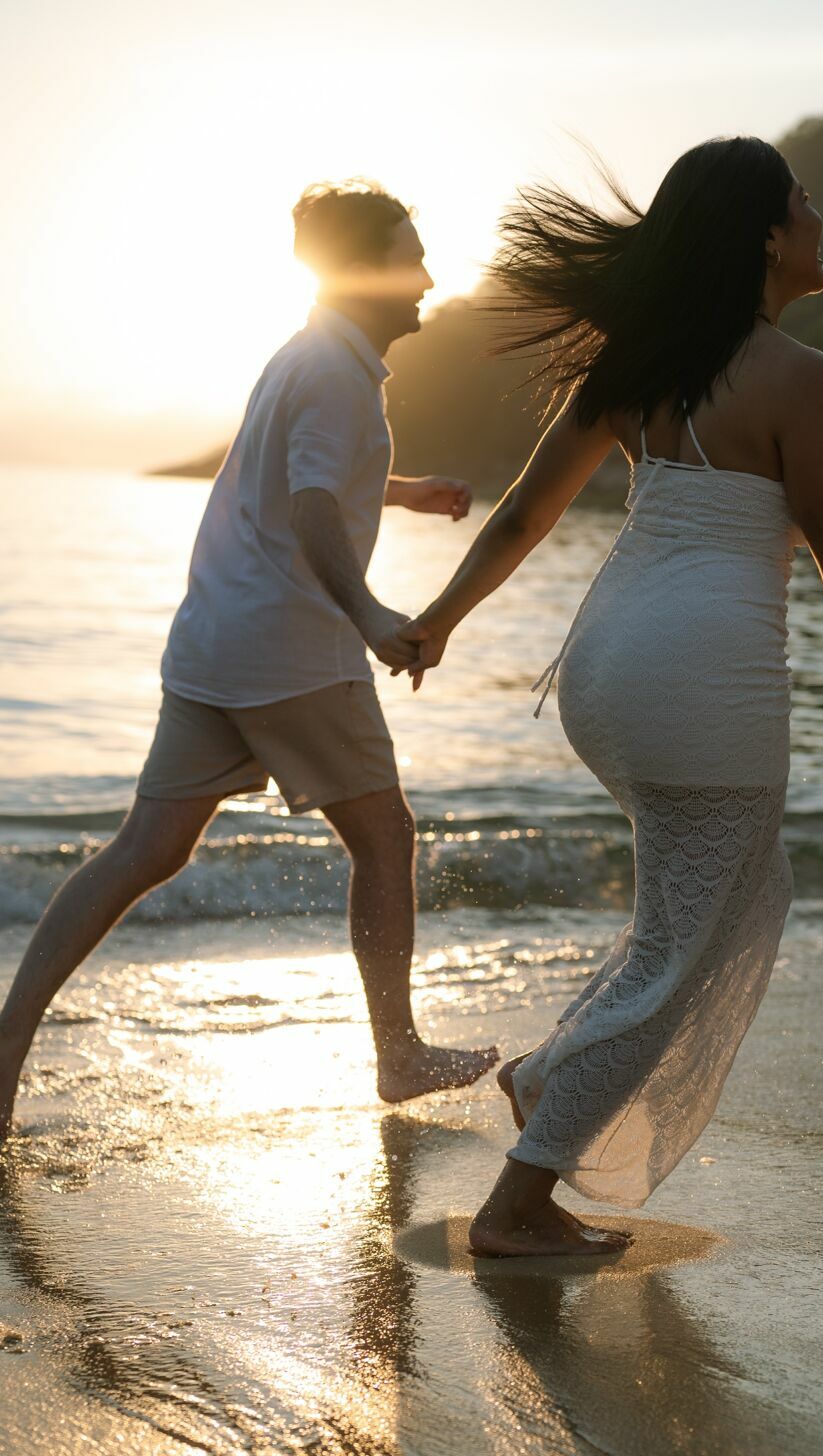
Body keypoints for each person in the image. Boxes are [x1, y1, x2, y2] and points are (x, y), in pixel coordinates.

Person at [393, 137, 823, 1258]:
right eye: (803, 200)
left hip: (606, 671)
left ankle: (551, 1079)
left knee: (728, 904)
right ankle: (519, 1198)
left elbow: (519, 516)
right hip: (703, 684)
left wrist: (439, 621)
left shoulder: (639, 363)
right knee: (683, 948)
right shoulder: (807, 381)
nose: (818, 215)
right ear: (762, 236)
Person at [0, 180, 497, 1142]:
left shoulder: (309, 359)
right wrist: (371, 615)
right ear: (363, 271)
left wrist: (398, 491)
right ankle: (398, 1052)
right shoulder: (335, 374)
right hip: (292, 649)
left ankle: (7, 1040)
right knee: (385, 836)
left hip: (216, 643)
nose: (429, 275)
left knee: (147, 850)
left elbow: (302, 479)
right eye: (410, 253)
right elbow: (310, 509)